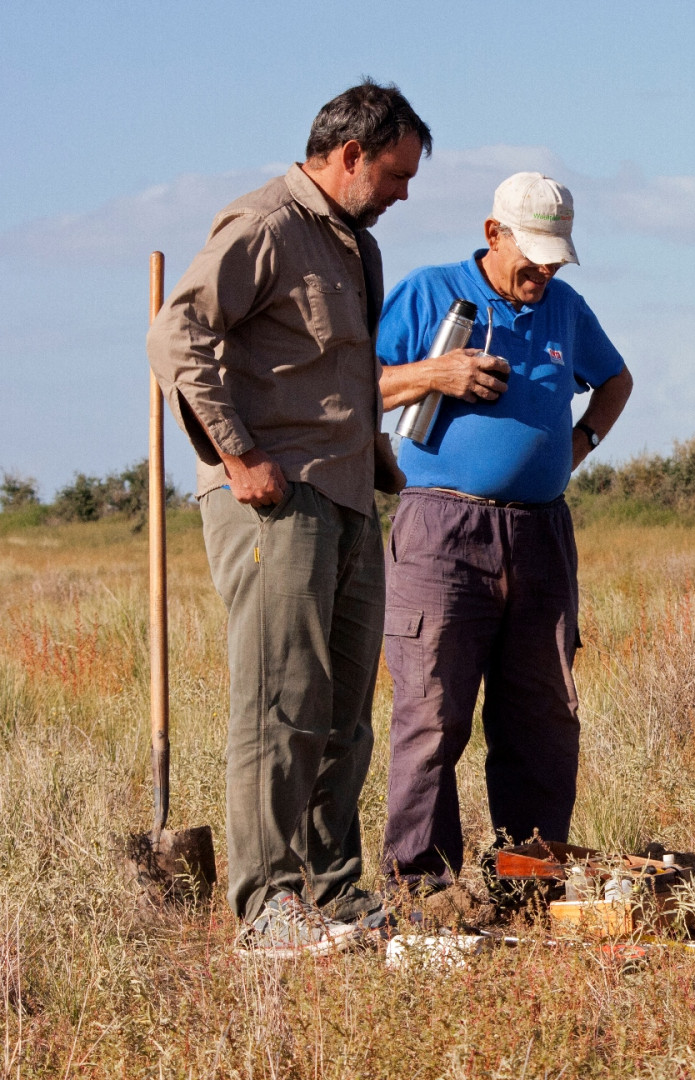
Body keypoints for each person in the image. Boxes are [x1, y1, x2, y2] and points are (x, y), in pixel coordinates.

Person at [147, 81, 430, 955]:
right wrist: (236, 457)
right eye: (394, 173)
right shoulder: (265, 224)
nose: (403, 193)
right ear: (349, 156)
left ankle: (333, 894)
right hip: (274, 500)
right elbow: (175, 338)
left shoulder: (356, 245)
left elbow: (337, 372)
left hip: (345, 496)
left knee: (342, 710)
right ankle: (267, 905)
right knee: (280, 702)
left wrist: (374, 452)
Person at [375, 173, 633, 897]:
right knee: (431, 714)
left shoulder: (565, 310)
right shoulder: (429, 292)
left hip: (542, 535)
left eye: (555, 259)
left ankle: (529, 881)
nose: (543, 273)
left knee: (542, 717)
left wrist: (575, 446)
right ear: (494, 235)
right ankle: (422, 890)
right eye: (532, 257)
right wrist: (439, 372)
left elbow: (615, 380)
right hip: (440, 530)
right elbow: (354, 385)